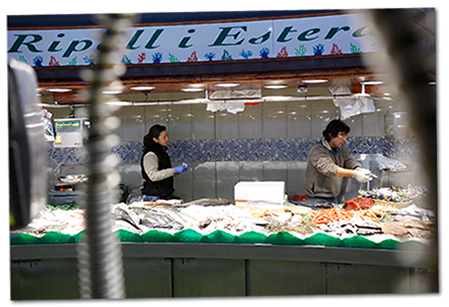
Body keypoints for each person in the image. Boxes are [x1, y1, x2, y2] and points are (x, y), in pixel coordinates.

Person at [305, 119, 372, 203]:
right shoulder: (317, 150)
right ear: (331, 135)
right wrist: (355, 174)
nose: (344, 140)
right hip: (318, 197)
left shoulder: (341, 147)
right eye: (341, 136)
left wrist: (358, 169)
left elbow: (349, 160)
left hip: (336, 195)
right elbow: (330, 169)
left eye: (345, 136)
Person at [140, 124, 189, 201]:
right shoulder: (150, 155)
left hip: (163, 195)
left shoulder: (162, 153)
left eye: (167, 136)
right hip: (153, 197)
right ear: (155, 139)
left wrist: (177, 171)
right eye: (164, 137)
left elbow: (163, 173)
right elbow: (153, 176)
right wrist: (173, 170)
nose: (167, 139)